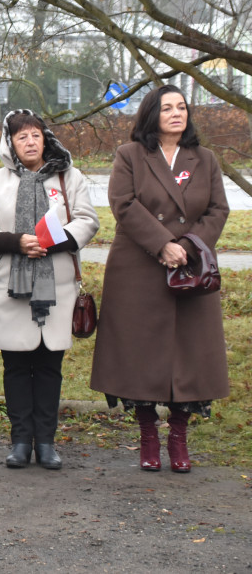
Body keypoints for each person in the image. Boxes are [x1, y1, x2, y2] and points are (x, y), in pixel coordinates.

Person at [90, 85, 229, 473]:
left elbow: (219, 209)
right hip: (139, 266)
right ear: (152, 114)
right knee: (140, 355)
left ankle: (179, 436)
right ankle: (148, 435)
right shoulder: (130, 154)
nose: (176, 113)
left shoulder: (205, 158)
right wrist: (163, 244)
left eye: (181, 107)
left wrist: (187, 245)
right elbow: (123, 204)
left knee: (190, 355)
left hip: (192, 268)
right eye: (167, 107)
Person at [0, 110, 99, 469]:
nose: (29, 141)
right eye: (21, 136)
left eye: (35, 135)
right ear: (9, 143)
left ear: (46, 139)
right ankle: (20, 442)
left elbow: (88, 220)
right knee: (15, 366)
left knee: (48, 367)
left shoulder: (68, 177)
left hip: (55, 286)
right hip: (10, 286)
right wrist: (16, 241)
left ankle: (46, 442)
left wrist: (49, 242)